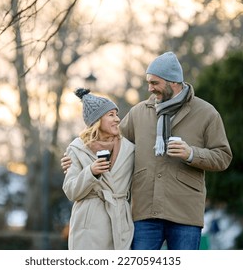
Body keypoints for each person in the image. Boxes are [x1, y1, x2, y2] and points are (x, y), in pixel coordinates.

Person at [62, 52, 232, 250]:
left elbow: (223, 156)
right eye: (148, 82)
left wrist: (191, 154)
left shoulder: (206, 113)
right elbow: (109, 139)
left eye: (154, 83)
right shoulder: (139, 112)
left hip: (185, 212)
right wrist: (75, 157)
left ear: (173, 82)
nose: (150, 88)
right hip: (144, 213)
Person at [62, 88, 135, 250]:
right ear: (97, 121)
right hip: (89, 227)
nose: (117, 119)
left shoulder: (129, 149)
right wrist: (90, 172)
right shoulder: (76, 149)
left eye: (116, 114)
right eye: (111, 115)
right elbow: (71, 191)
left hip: (120, 222)